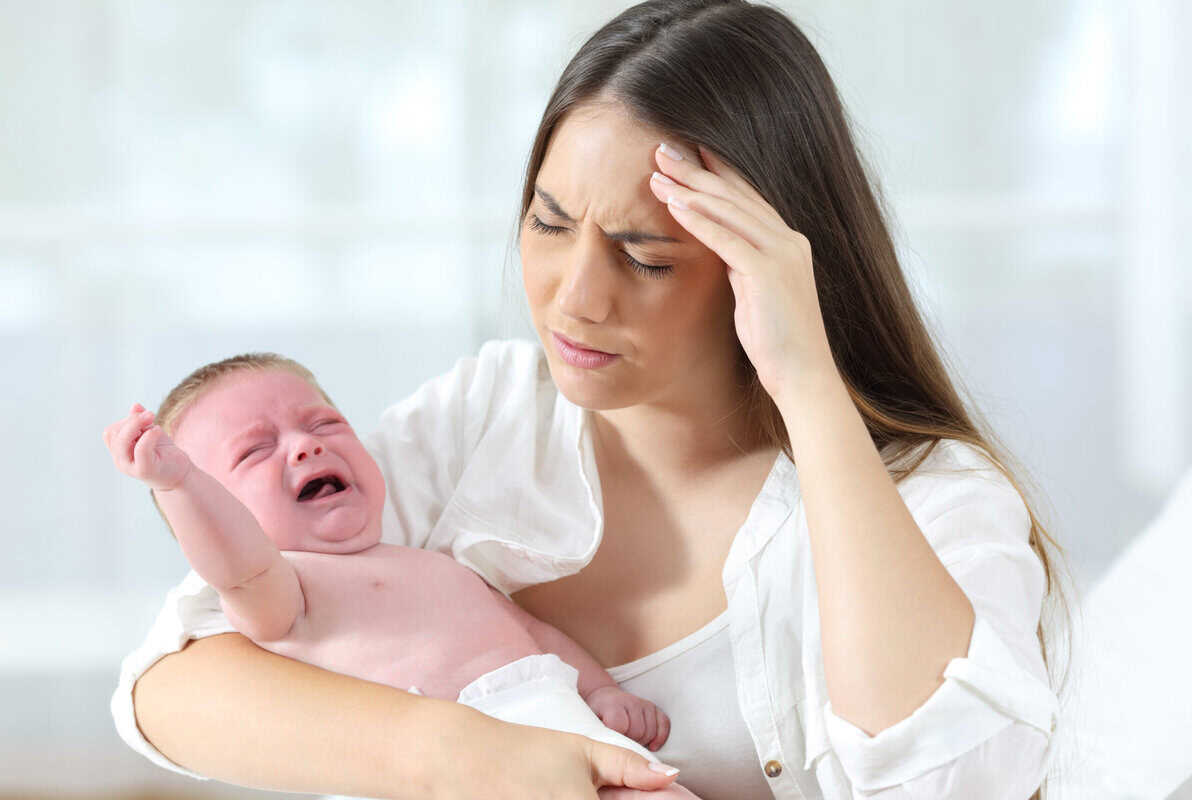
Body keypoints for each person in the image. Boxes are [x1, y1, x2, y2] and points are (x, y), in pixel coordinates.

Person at [111, 1, 1069, 798]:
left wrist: (811, 385)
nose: (575, 298)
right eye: (548, 222)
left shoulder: (934, 499)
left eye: (644, 257)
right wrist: (464, 755)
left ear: (767, 264)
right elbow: (167, 685)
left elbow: (961, 781)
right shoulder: (487, 417)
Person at [102, 353, 694, 798]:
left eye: (324, 424)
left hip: (564, 729)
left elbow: (535, 637)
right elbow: (234, 566)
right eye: (254, 451)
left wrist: (600, 691)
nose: (305, 446)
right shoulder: (283, 591)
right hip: (454, 770)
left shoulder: (437, 561)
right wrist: (178, 485)